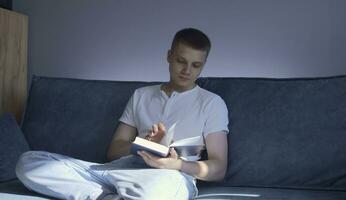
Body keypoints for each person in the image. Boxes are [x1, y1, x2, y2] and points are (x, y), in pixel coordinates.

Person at [16, 28, 229, 200]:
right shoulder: (141, 95)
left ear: (203, 66)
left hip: (171, 175)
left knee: (159, 191)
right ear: (169, 56)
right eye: (181, 61)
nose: (187, 71)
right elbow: (114, 150)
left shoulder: (212, 103)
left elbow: (218, 168)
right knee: (29, 163)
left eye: (196, 65)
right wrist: (145, 146)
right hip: (118, 171)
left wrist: (177, 164)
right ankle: (110, 196)